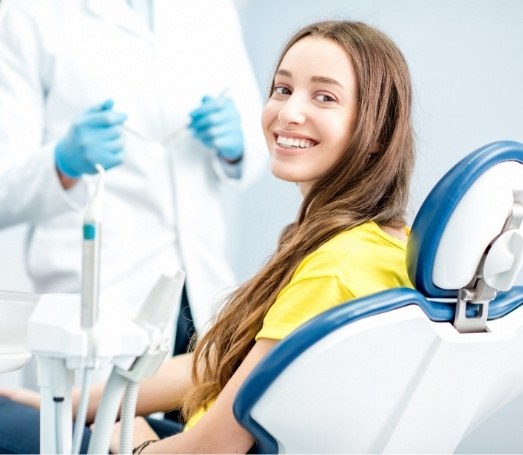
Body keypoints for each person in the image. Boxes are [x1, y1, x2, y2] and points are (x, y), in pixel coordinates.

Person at [0, 19, 415, 453]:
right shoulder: (374, 241)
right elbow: (219, 364)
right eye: (282, 89)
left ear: (377, 130)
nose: (289, 112)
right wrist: (72, 404)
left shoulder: (337, 268)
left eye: (324, 96)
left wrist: (133, 444)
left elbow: (209, 449)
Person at [0, 0, 267, 359]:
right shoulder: (27, 13)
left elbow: (258, 141)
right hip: (99, 297)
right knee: (103, 413)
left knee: (197, 407)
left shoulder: (212, 9)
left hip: (202, 290)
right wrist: (63, 163)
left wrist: (238, 145)